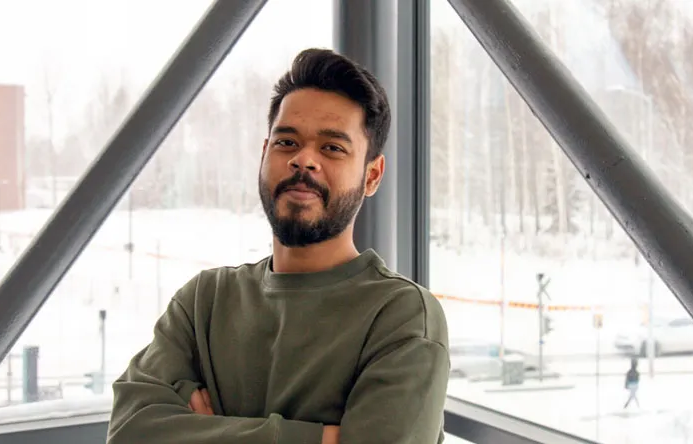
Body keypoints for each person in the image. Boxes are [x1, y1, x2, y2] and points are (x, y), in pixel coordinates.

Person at [107, 48, 450, 444]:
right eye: (287, 142)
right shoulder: (204, 301)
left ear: (372, 176)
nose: (304, 160)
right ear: (264, 153)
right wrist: (320, 438)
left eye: (332, 148)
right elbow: (129, 431)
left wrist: (203, 429)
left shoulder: (401, 317)